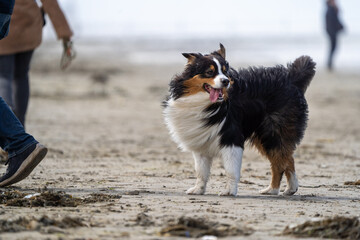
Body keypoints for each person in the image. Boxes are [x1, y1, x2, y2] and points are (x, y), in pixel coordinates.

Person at [0, 0, 73, 127]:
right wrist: (64, 34)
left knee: (3, 76)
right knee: (21, 76)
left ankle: (9, 127)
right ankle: (19, 125)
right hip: (28, 26)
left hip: (4, 24)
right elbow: (50, 2)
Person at [0, 0, 47, 187]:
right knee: (19, 77)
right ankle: (18, 139)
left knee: (6, 76)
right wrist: (64, 32)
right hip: (8, 13)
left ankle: (19, 143)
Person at [325, 0, 344, 71]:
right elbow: (333, 22)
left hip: (332, 32)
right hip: (332, 32)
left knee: (333, 48)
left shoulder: (332, 9)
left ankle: (329, 64)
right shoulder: (330, 10)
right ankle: (329, 64)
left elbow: (336, 21)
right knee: (333, 48)